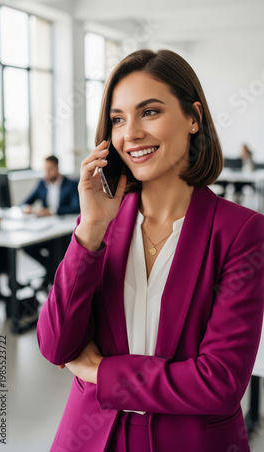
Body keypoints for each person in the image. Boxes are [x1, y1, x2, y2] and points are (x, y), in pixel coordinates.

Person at [37, 49, 264, 452]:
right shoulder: (99, 224)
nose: (131, 134)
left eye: (150, 112)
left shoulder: (242, 232)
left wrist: (98, 370)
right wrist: (90, 229)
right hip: (90, 438)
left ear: (193, 118)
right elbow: (56, 346)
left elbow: (220, 383)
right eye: (118, 119)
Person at [21, 155, 80, 289]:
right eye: (45, 170)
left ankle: (51, 277)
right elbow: (25, 202)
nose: (47, 173)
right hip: (44, 228)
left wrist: (52, 211)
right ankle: (51, 272)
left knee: (56, 247)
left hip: (61, 230)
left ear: (57, 169)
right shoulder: (42, 183)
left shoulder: (71, 184)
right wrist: (27, 208)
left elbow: (76, 207)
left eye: (50, 170)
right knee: (27, 246)